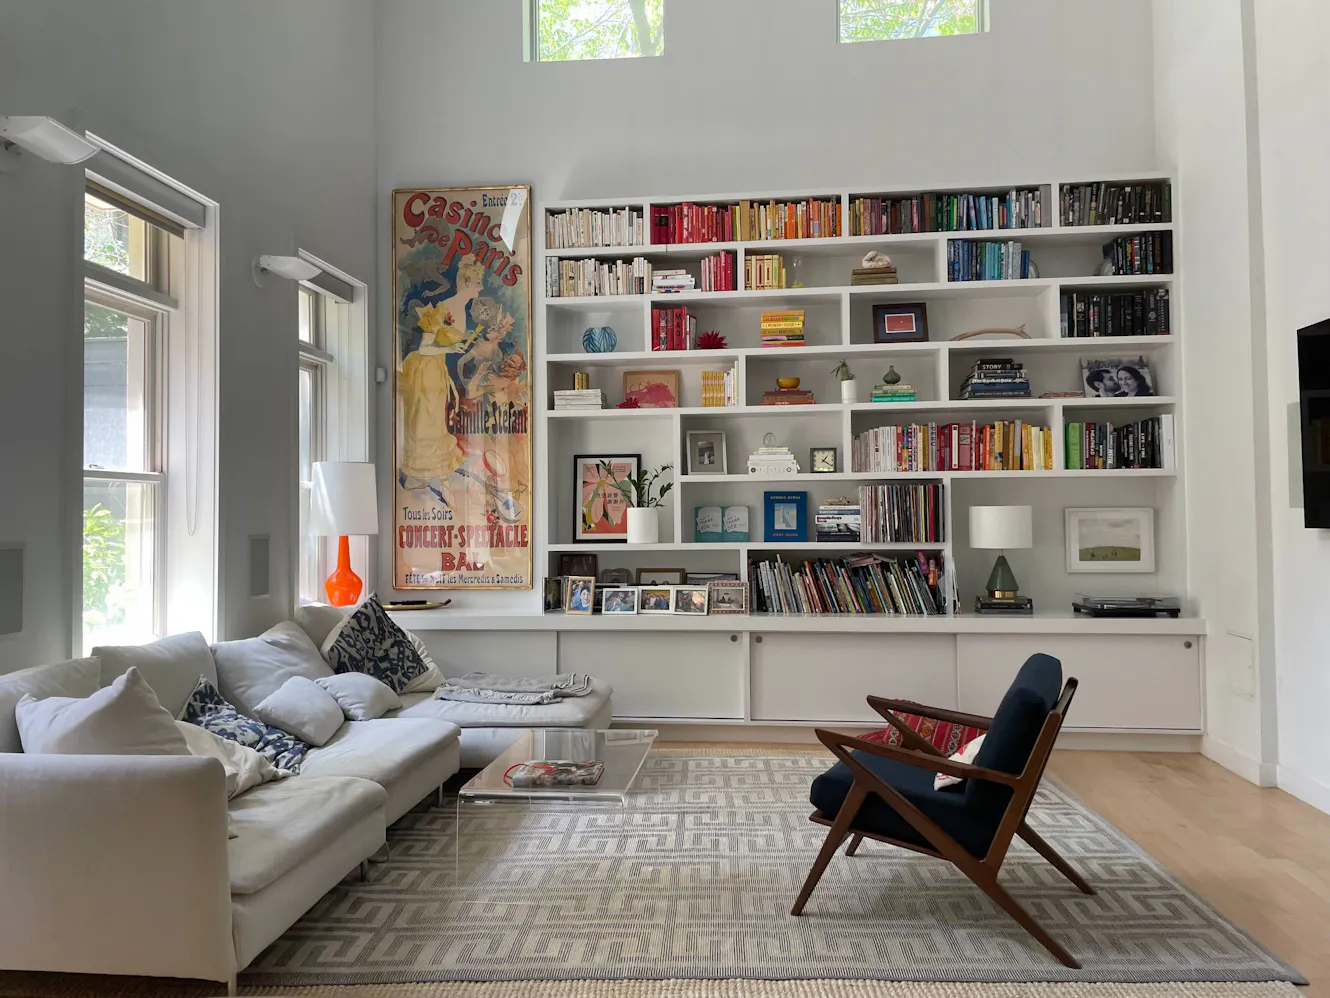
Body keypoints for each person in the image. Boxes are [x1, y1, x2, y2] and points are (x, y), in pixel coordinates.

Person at [399, 257, 487, 487]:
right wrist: (452, 347)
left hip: (437, 370)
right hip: (424, 371)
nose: (480, 287)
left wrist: (461, 343)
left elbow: (446, 341)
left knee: (435, 422)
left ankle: (430, 475)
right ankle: (418, 477)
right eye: (478, 282)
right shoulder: (444, 309)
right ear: (467, 282)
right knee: (426, 423)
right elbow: (425, 347)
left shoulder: (460, 308)